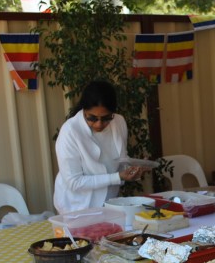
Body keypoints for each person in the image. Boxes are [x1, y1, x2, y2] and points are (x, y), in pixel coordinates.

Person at [54, 80, 146, 214]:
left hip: (108, 203)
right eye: (92, 118)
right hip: (76, 207)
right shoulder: (70, 131)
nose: (99, 124)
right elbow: (74, 182)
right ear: (83, 110)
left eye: (106, 118)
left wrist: (135, 169)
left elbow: (120, 161)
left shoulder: (119, 122)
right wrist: (118, 177)